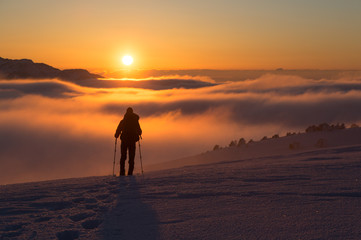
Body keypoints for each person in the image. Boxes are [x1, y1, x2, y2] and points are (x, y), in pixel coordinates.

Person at [114, 107, 142, 176]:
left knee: (123, 156)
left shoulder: (123, 121)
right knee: (131, 157)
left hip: (124, 140)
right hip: (132, 141)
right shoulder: (135, 122)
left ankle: (122, 172)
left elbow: (117, 131)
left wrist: (117, 135)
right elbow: (140, 131)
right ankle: (130, 173)